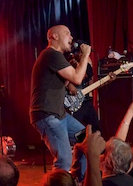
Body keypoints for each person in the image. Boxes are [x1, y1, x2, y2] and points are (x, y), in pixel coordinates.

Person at [29, 24, 90, 172]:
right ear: (54, 36)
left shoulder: (55, 57)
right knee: (64, 159)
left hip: (58, 114)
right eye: (67, 34)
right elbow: (77, 78)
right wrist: (86, 56)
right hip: (47, 114)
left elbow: (71, 85)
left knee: (87, 140)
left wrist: (77, 64)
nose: (71, 38)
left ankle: (77, 180)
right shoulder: (51, 54)